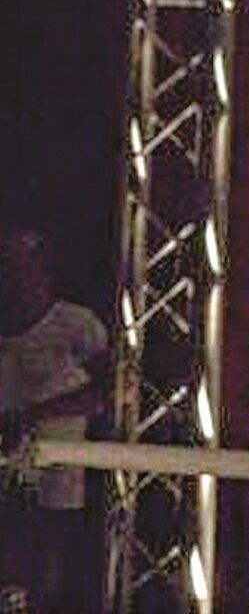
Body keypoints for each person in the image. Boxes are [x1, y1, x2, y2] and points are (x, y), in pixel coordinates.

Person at [0, 227, 110, 614]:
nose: (15, 273)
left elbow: (105, 396)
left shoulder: (76, 325)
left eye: (22, 263)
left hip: (59, 483)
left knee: (46, 581)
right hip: (8, 479)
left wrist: (31, 416)